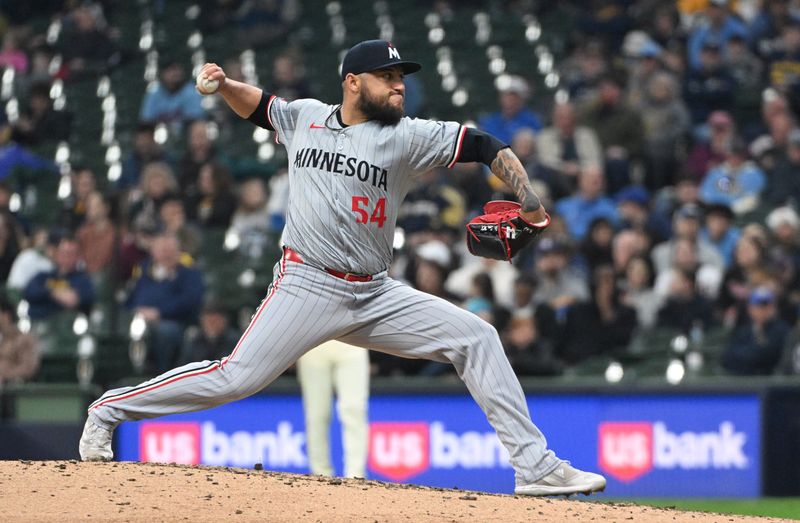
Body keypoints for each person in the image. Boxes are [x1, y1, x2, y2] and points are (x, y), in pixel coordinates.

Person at [80, 39, 605, 496]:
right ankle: (107, 410)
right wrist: (223, 84)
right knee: (235, 379)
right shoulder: (305, 116)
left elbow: (484, 144)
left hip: (374, 294)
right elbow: (262, 107)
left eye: (402, 78)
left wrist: (529, 198)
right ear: (353, 82)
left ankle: (535, 466)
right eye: (389, 77)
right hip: (306, 284)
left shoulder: (405, 135)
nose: (400, 87)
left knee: (477, 338)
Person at [126, 232, 204, 373]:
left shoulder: (189, 274)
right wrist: (134, 310)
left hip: (174, 322)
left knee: (165, 332)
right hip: (138, 319)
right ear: (153, 252)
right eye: (163, 251)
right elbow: (131, 297)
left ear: (179, 252)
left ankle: (160, 375)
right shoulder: (143, 271)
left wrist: (159, 312)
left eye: (171, 251)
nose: (167, 255)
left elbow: (190, 301)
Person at [296, 340, 369, 479]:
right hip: (313, 343)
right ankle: (319, 475)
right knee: (317, 414)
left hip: (353, 340)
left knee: (355, 410)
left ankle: (357, 476)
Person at [722, 287, 790, 376]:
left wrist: (747, 355)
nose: (763, 310)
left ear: (774, 308)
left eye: (766, 306)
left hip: (772, 384)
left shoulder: (782, 330)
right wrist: (753, 353)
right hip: (744, 382)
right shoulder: (744, 330)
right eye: (759, 306)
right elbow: (727, 356)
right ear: (750, 309)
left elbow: (766, 355)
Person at [23, 237, 94, 321]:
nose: (67, 257)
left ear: (78, 256)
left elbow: (83, 298)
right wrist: (53, 293)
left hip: (67, 325)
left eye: (71, 253)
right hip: (39, 322)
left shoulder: (83, 279)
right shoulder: (43, 276)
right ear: (56, 254)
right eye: (63, 252)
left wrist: (73, 298)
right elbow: (29, 292)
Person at [0, 295, 39, 387]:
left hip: (12, 391)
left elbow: (28, 368)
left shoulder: (24, 339)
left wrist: (4, 376)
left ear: (6, 315)